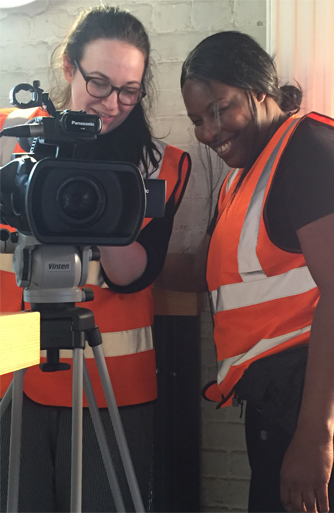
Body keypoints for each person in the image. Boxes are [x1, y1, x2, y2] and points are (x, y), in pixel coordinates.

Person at [0, 6, 190, 511]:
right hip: (12, 357)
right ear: (69, 68)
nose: (113, 104)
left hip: (113, 373)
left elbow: (133, 276)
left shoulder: (160, 165)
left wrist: (100, 189)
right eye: (100, 84)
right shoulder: (8, 137)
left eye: (129, 91)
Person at [179, 31, 334, 513]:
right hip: (280, 400)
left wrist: (315, 436)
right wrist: (102, 262)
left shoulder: (313, 148)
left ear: (259, 90)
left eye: (220, 109)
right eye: (198, 120)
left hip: (325, 401)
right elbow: (197, 271)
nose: (208, 132)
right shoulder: (240, 180)